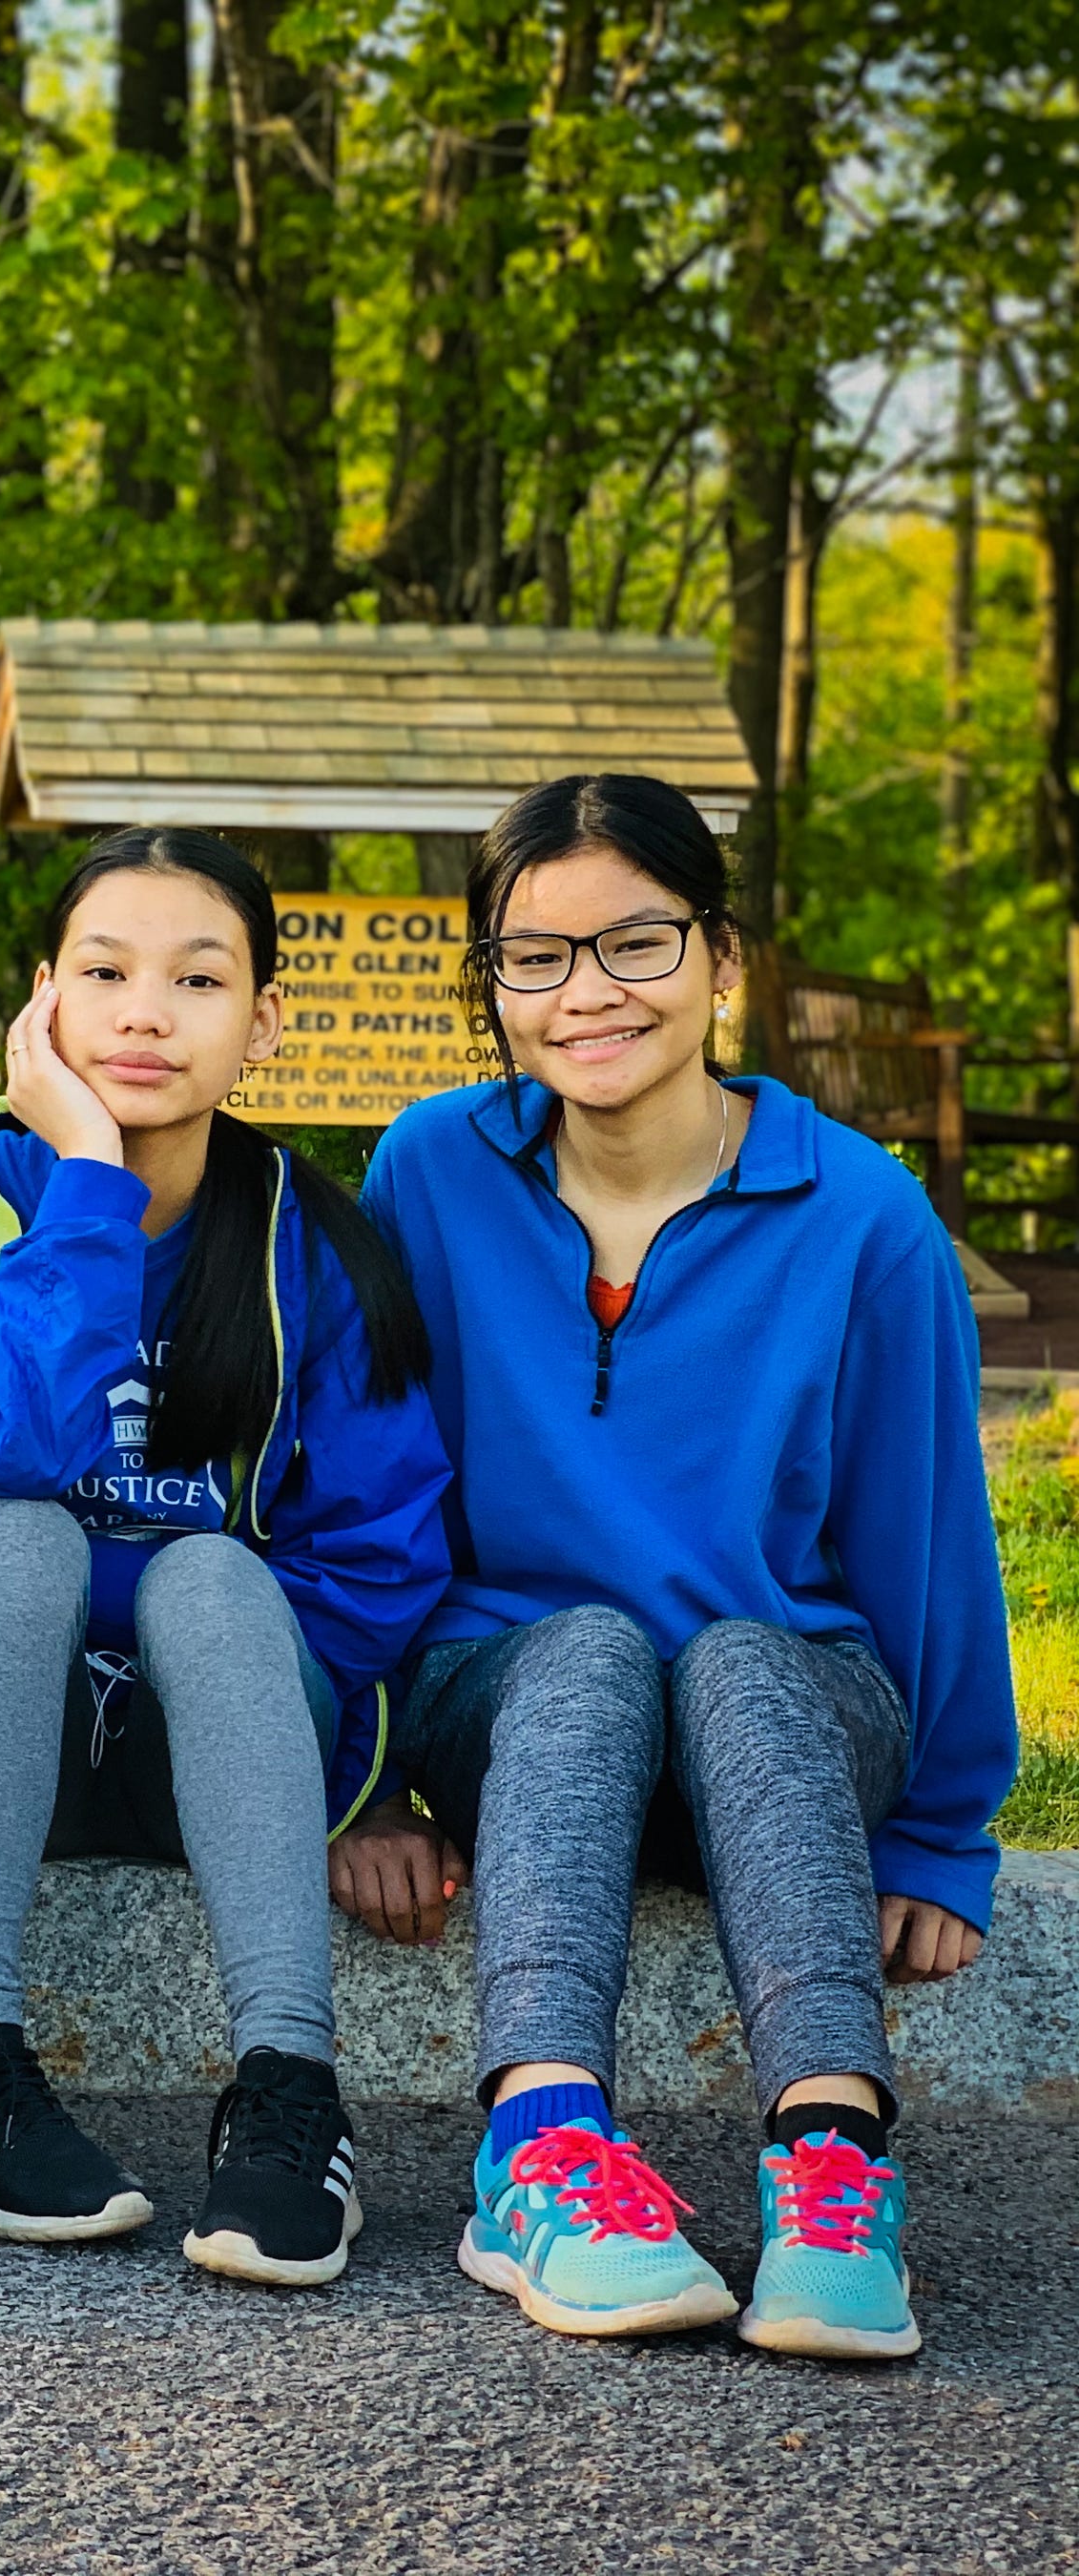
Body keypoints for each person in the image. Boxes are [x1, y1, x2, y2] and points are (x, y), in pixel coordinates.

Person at [345, 772, 1015, 2359]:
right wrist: (356, 1778)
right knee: (582, 1649)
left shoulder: (862, 1213)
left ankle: (835, 2171)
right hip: (508, 1701)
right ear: (493, 989)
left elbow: (929, 1541)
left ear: (725, 960)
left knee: (733, 1657)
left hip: (781, 1700)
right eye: (537, 956)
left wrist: (935, 1835)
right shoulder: (430, 1173)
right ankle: (544, 2153)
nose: (589, 993)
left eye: (637, 943)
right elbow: (359, 1505)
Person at [0, 830, 450, 2289]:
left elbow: (383, 1551)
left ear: (265, 1021)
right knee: (18, 1532)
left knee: (209, 1578)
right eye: (107, 972)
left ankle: (289, 2098)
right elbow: (6, 1437)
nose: (147, 1012)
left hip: (212, 1734)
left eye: (198, 979)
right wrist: (87, 1174)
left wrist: (328, 1757)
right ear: (43, 1005)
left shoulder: (310, 1243)